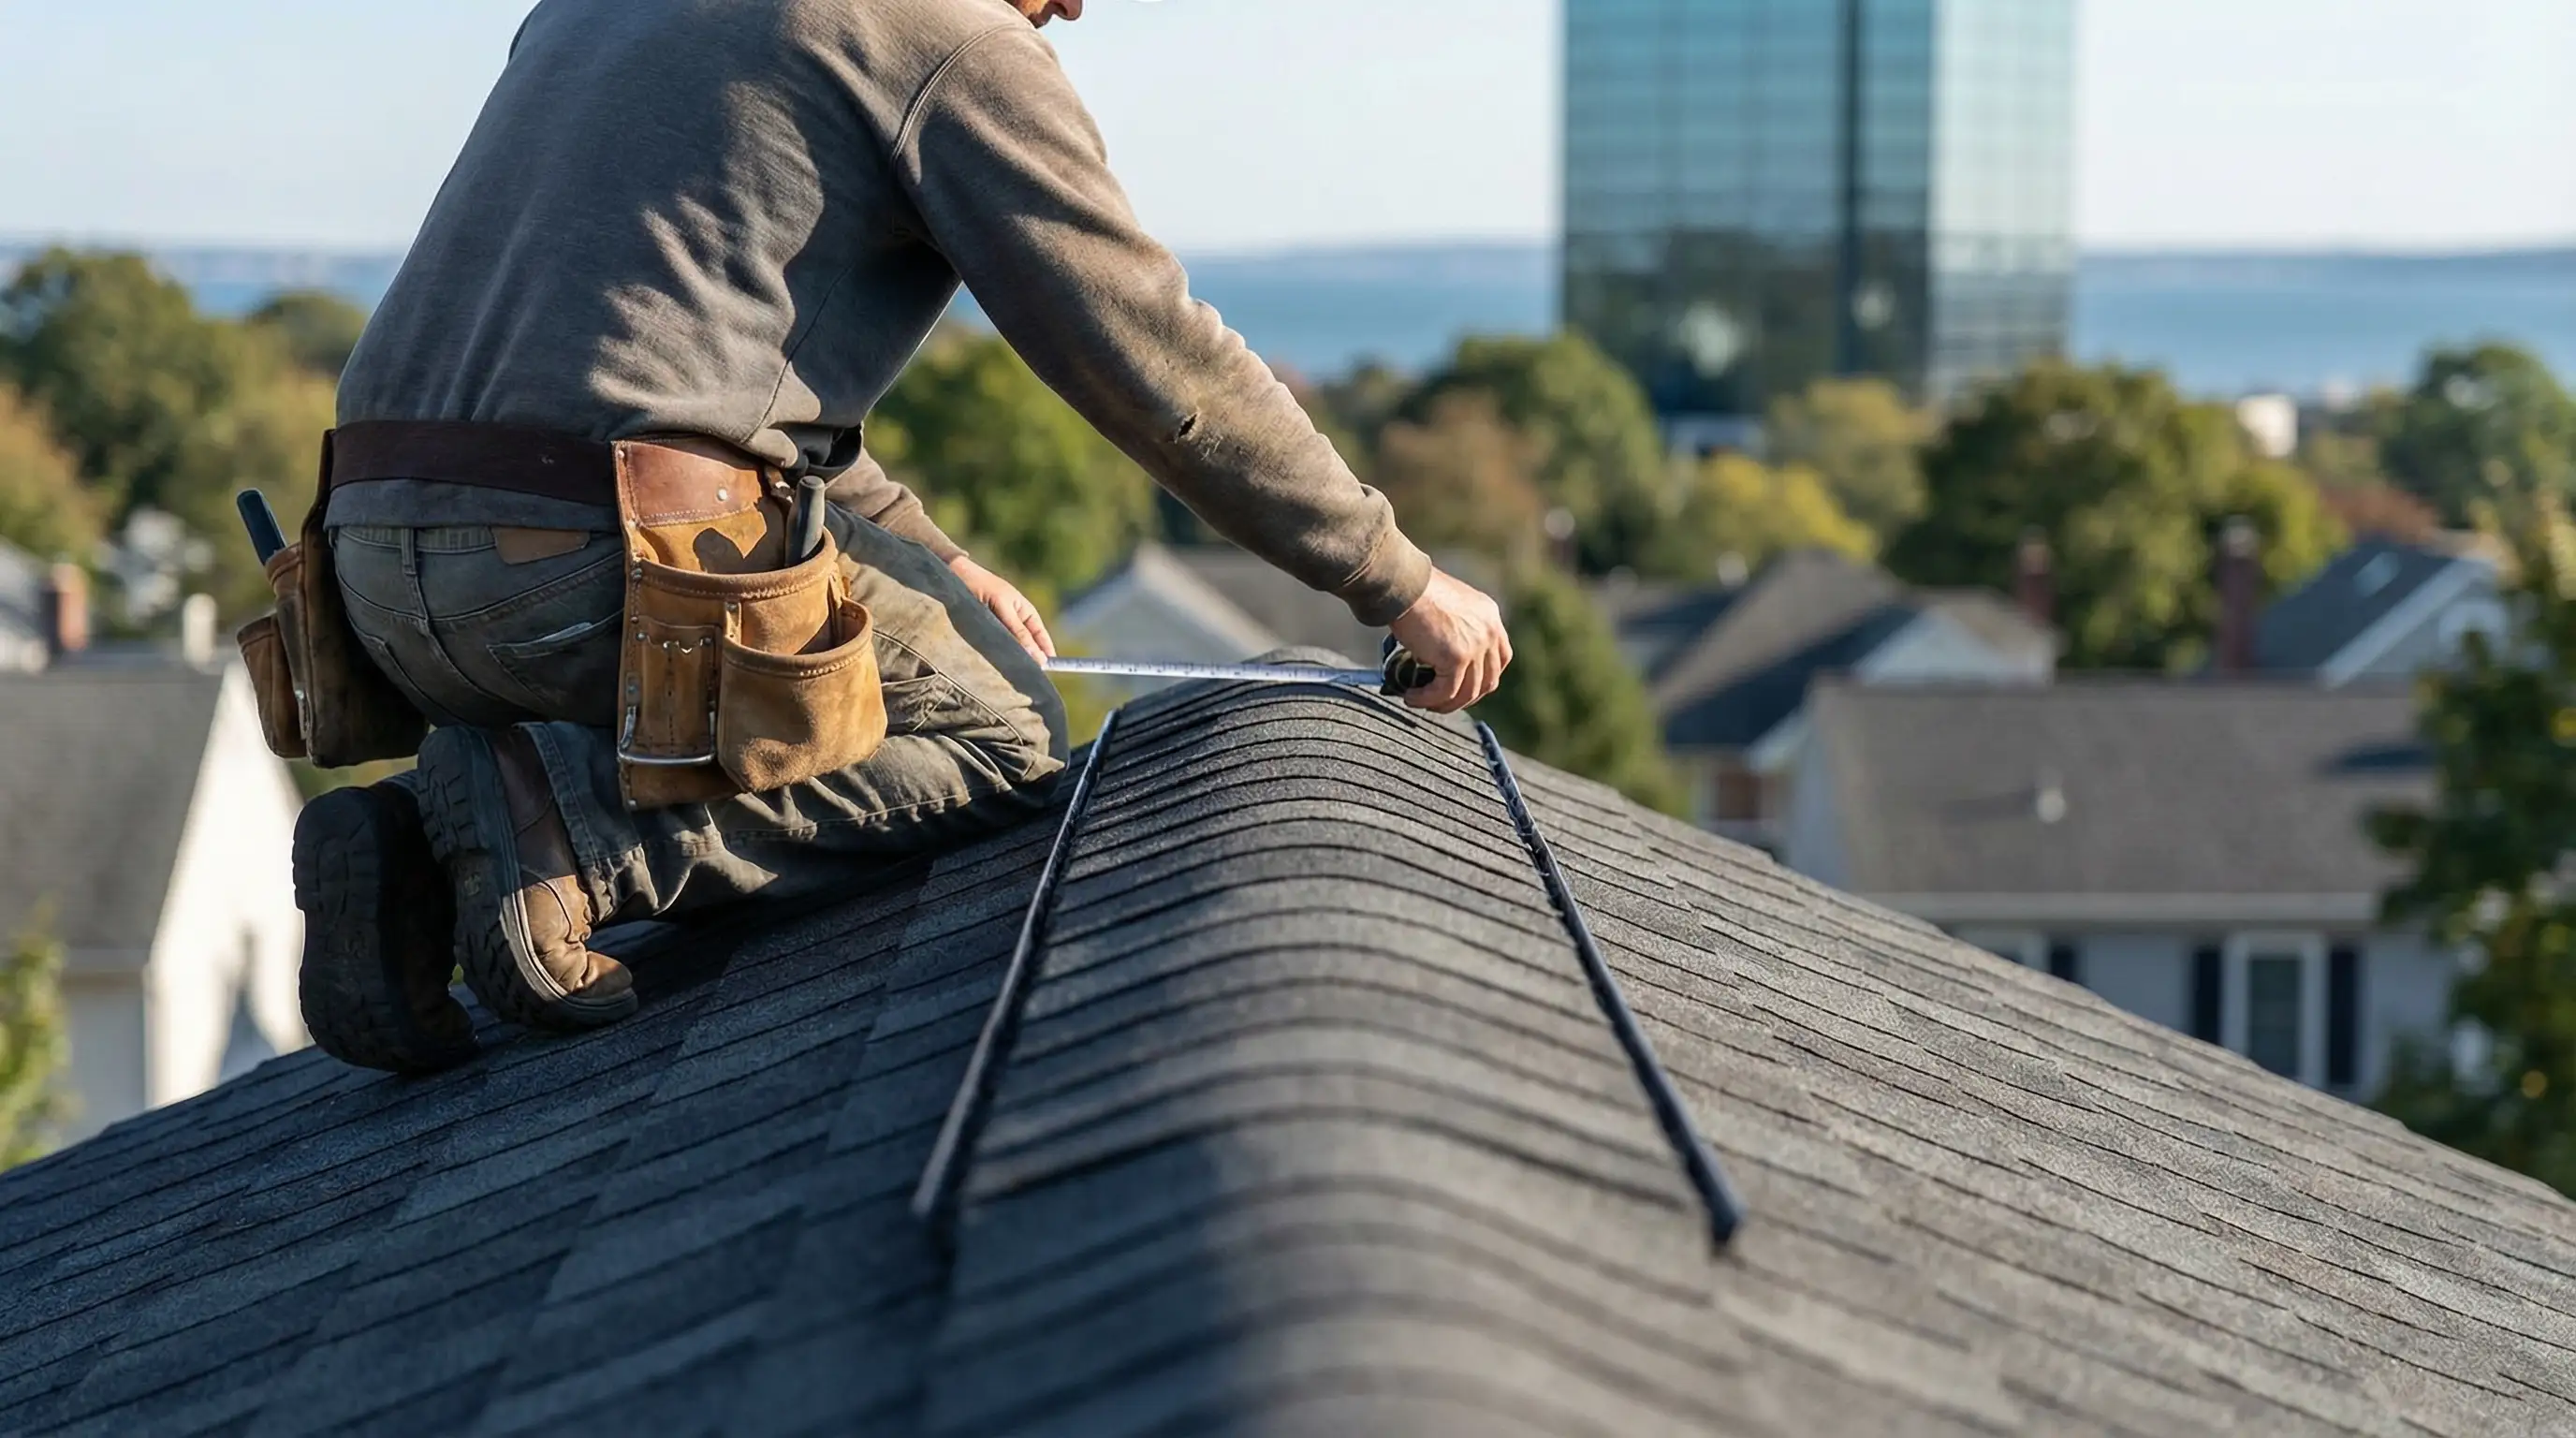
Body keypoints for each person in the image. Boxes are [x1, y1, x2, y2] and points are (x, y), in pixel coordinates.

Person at [292, 0, 1515, 1073]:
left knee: (917, 647)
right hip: (580, 567)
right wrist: (1395, 577)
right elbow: (1156, 362)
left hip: (369, 578)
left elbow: (702, 379)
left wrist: (935, 559)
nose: (1072, 15)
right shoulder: (948, 36)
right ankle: (581, 837)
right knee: (1007, 729)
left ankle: (412, 854)